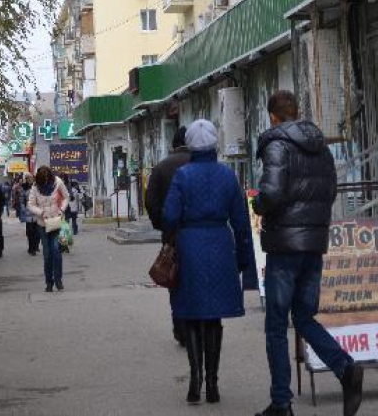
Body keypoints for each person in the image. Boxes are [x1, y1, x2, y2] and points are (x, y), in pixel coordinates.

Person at [253, 91, 364, 416]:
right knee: (303, 316)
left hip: (285, 246)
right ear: (296, 113)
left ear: (274, 116)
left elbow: (271, 193)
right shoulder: (320, 148)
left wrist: (257, 203)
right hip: (313, 243)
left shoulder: (276, 144)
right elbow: (330, 192)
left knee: (276, 323)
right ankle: (345, 367)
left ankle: (281, 402)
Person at [162, 120, 252, 405]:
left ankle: (195, 380)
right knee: (213, 316)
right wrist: (243, 258)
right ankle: (213, 384)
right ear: (215, 144)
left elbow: (169, 216)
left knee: (190, 312)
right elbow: (240, 220)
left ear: (190, 144)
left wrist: (172, 236)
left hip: (189, 246)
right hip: (220, 246)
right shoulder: (227, 175)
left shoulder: (183, 176)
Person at [145, 126, 191, 346]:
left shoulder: (162, 167)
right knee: (198, 280)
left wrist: (161, 225)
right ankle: (198, 326)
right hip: (200, 234)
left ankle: (180, 329)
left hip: (172, 235)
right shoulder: (201, 165)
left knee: (175, 280)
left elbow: (151, 201)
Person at [27, 166, 70, 292]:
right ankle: (49, 282)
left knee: (56, 251)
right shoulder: (35, 188)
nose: (45, 183)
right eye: (42, 181)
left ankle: (58, 280)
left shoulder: (58, 182)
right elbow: (30, 204)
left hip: (56, 222)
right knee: (47, 255)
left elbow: (66, 197)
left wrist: (61, 210)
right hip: (43, 224)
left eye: (46, 180)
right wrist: (40, 212)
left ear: (50, 177)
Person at [18, 174, 40, 255]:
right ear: (26, 180)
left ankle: (34, 246)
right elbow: (21, 200)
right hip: (28, 213)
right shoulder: (23, 188)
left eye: (31, 179)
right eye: (28, 179)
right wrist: (24, 209)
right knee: (29, 232)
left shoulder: (37, 188)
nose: (30, 180)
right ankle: (31, 248)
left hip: (37, 213)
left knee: (37, 232)